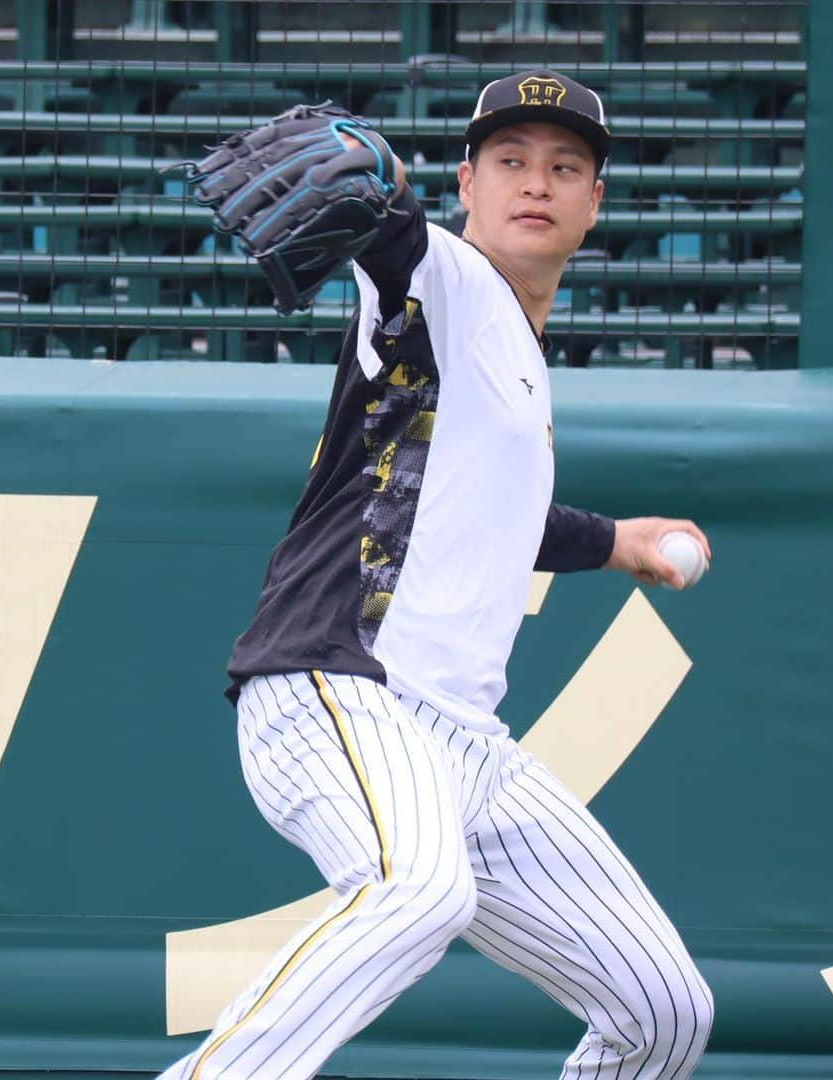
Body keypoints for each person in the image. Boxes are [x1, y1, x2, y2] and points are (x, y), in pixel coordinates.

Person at [162, 69, 714, 1080]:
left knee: (665, 1008)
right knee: (417, 889)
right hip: (339, 688)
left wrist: (618, 541)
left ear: (597, 203)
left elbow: (495, 513)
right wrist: (390, 200)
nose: (534, 181)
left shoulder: (520, 362)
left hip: (468, 749)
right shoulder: (445, 281)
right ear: (468, 181)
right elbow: (392, 238)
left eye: (564, 166)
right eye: (509, 161)